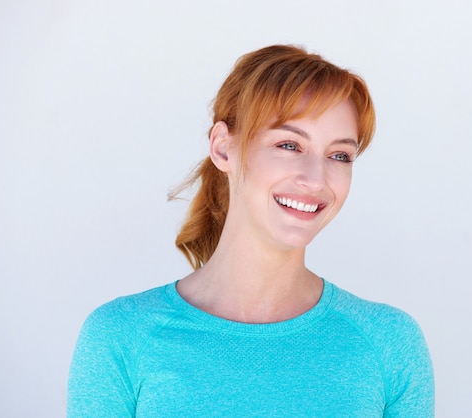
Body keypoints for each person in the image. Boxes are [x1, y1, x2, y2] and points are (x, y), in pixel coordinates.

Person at [67, 44, 435, 417]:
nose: (315, 179)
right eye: (289, 145)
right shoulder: (120, 338)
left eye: (339, 155)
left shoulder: (389, 344)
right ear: (223, 148)